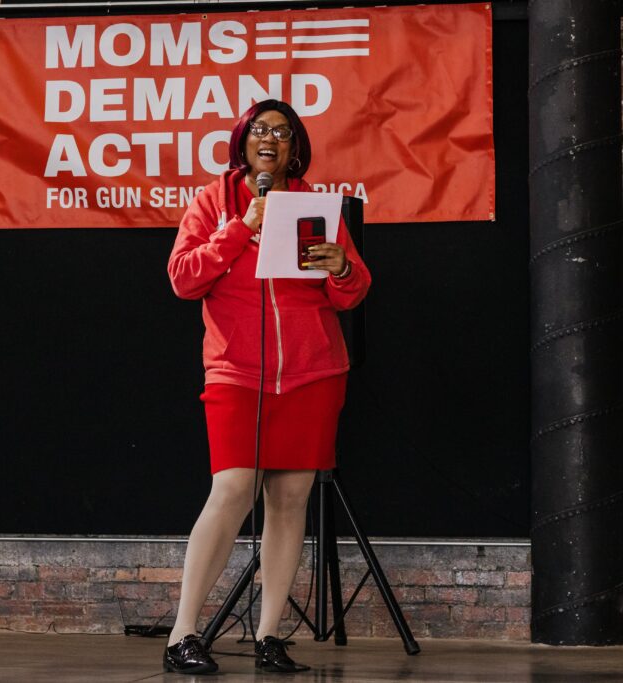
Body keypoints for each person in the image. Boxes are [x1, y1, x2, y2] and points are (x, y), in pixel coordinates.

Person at [163, 99, 371, 675]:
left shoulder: (314, 205)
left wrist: (341, 268)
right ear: (243, 141)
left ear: (294, 147)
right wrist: (240, 227)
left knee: (289, 500)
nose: (270, 139)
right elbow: (184, 278)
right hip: (236, 371)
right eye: (260, 130)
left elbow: (353, 292)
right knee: (232, 490)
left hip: (312, 371)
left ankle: (270, 634)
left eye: (282, 132)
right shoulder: (212, 202)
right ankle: (183, 633)